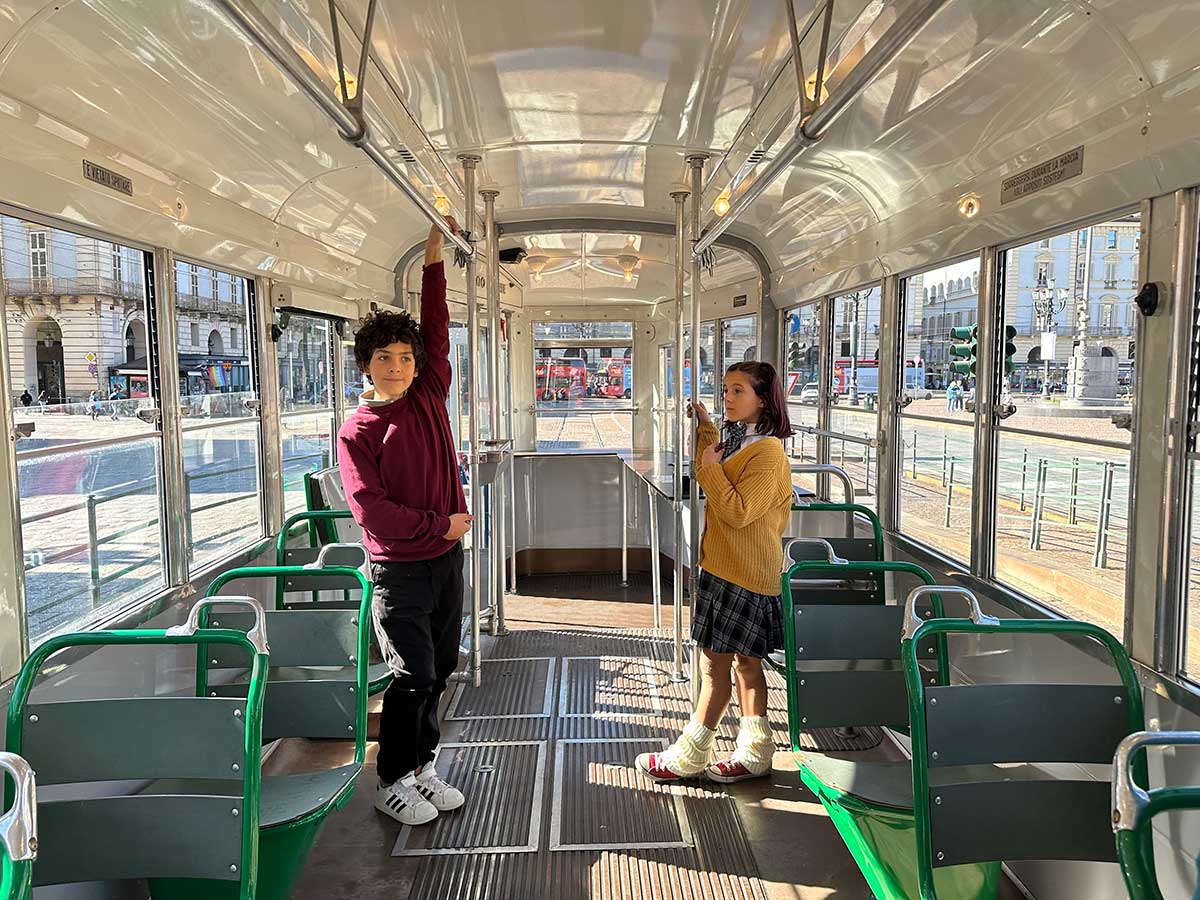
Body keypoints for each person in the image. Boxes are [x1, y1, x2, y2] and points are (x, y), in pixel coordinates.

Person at [338, 217, 471, 828]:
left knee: (440, 668)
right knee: (411, 674)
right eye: (384, 358)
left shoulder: (427, 395)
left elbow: (438, 328)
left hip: (446, 562)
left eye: (405, 357)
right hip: (401, 569)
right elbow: (372, 511)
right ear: (366, 365)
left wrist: (435, 261)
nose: (396, 366)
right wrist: (437, 526)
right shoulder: (358, 430)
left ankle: (422, 766)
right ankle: (391, 779)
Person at [635, 361, 795, 784]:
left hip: (742, 574)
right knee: (743, 665)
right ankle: (755, 748)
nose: (727, 397)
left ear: (763, 399)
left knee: (718, 666)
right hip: (728, 568)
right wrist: (706, 426)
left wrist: (705, 470)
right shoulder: (741, 439)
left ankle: (692, 754)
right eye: (725, 389)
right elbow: (718, 462)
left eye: (738, 391)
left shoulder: (769, 452)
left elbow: (738, 511)